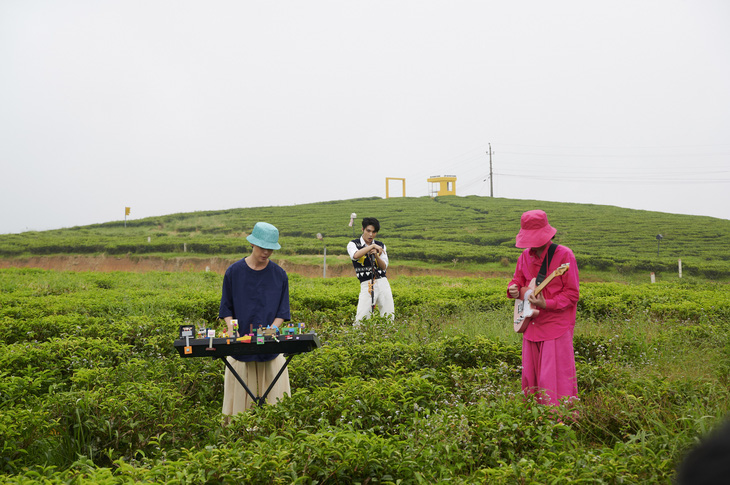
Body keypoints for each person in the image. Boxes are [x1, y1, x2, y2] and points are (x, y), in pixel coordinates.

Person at [507, 210, 580, 406]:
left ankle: (560, 420)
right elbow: (518, 281)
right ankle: (534, 418)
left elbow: (572, 294)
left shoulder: (564, 255)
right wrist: (512, 289)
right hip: (531, 324)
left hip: (555, 327)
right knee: (531, 380)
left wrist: (546, 303)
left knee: (555, 380)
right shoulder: (524, 257)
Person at [218, 221, 291, 419]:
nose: (266, 253)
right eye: (263, 248)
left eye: (270, 249)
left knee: (275, 405)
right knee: (239, 406)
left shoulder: (279, 275)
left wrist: (272, 331)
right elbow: (226, 308)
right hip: (241, 348)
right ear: (252, 244)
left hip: (270, 348)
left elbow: (282, 311)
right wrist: (233, 331)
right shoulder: (234, 272)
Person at [346, 217, 395, 324]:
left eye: (374, 232)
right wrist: (371, 246)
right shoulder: (353, 244)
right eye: (368, 231)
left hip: (382, 282)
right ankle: (359, 338)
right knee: (362, 316)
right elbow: (355, 256)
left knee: (388, 315)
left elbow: (383, 267)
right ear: (362, 229)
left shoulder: (381, 246)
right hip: (366, 283)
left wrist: (376, 256)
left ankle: (387, 336)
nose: (371, 235)